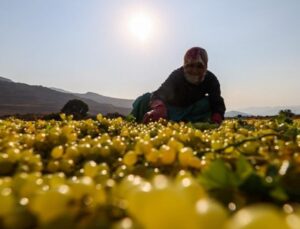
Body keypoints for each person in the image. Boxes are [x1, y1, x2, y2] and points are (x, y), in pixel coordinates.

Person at [131, 47, 226, 124]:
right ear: (185, 65)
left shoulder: (210, 79)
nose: (194, 70)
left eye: (199, 66)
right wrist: (159, 108)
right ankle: (135, 121)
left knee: (207, 103)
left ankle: (185, 121)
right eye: (190, 65)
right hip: (169, 109)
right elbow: (159, 93)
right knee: (145, 99)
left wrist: (217, 114)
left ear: (205, 66)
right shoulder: (177, 75)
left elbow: (216, 100)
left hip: (191, 111)